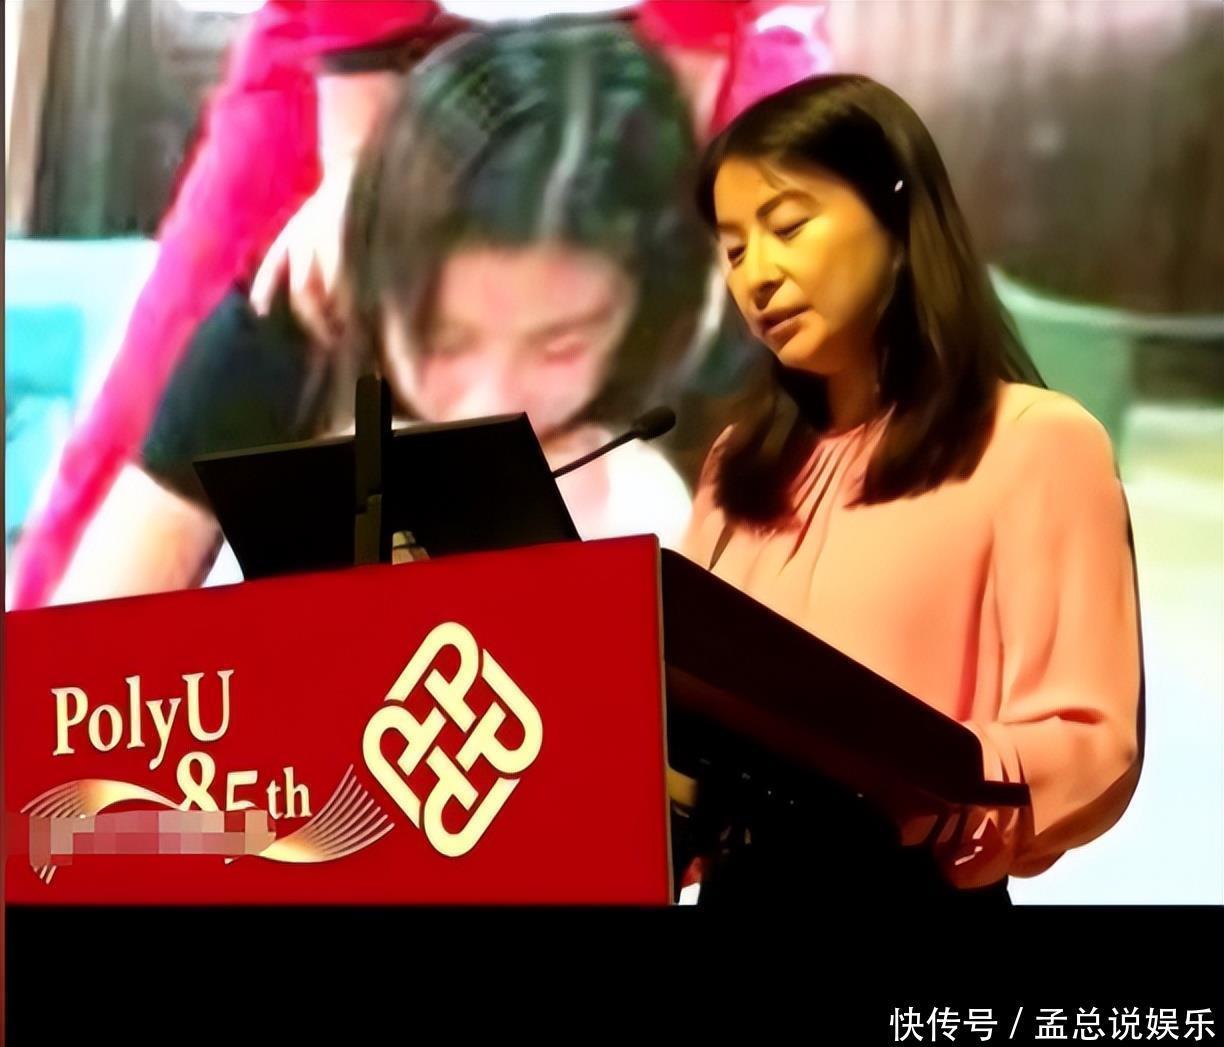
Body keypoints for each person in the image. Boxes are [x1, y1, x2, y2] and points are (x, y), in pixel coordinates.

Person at [674, 74, 1144, 904]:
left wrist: (946, 785)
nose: (757, 276)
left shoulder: (1033, 442)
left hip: (902, 889)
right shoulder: (737, 462)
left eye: (788, 226)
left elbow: (1090, 736)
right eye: (735, 248)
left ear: (896, 217)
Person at [52, 20, 715, 602]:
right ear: (375, 278)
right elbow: (78, 654)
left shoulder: (692, 397)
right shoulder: (292, 331)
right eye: (443, 341)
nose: (492, 405)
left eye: (560, 348)